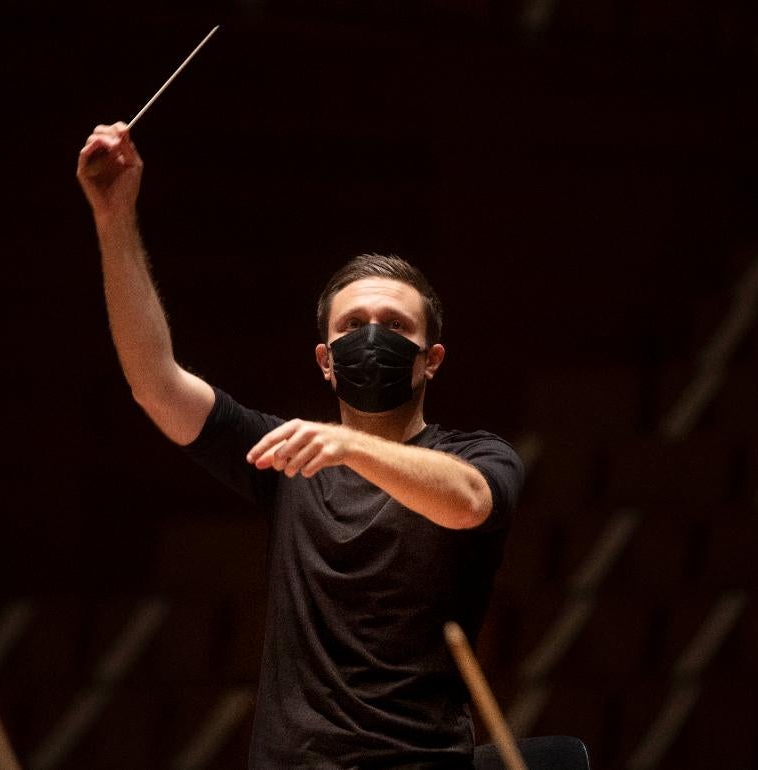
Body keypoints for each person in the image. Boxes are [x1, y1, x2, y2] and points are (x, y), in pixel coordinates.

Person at [77, 122, 524, 769]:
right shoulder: (290, 456)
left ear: (432, 360)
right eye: (353, 326)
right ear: (325, 361)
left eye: (395, 326)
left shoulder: (478, 454)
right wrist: (113, 218)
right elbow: (155, 384)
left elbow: (468, 503)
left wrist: (350, 446)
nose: (373, 337)